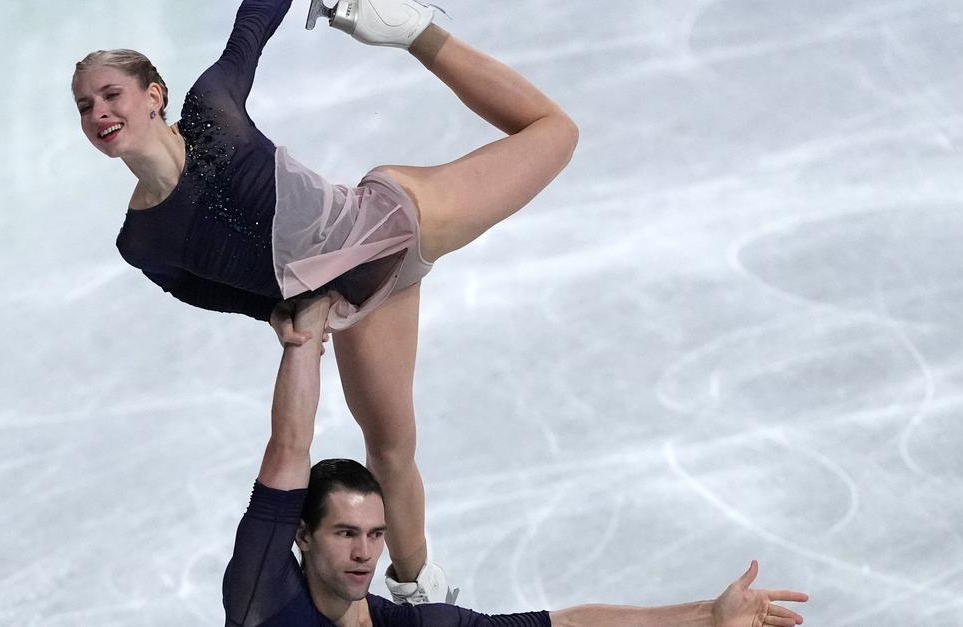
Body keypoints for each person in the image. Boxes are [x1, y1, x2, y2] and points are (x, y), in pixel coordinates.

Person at [72, 0, 578, 601]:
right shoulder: (141, 243)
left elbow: (251, 26)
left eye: (110, 95)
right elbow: (213, 292)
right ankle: (419, 590)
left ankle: (412, 31)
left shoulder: (211, 110)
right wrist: (282, 312)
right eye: (85, 106)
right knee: (391, 448)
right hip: (356, 302)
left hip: (396, 222)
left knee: (554, 131)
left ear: (154, 95)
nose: (99, 113)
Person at [225, 294, 809, 626]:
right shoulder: (264, 594)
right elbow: (289, 447)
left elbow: (567, 626)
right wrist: (302, 345)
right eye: (346, 533)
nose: (364, 551)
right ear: (301, 535)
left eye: (376, 534)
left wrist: (707, 615)